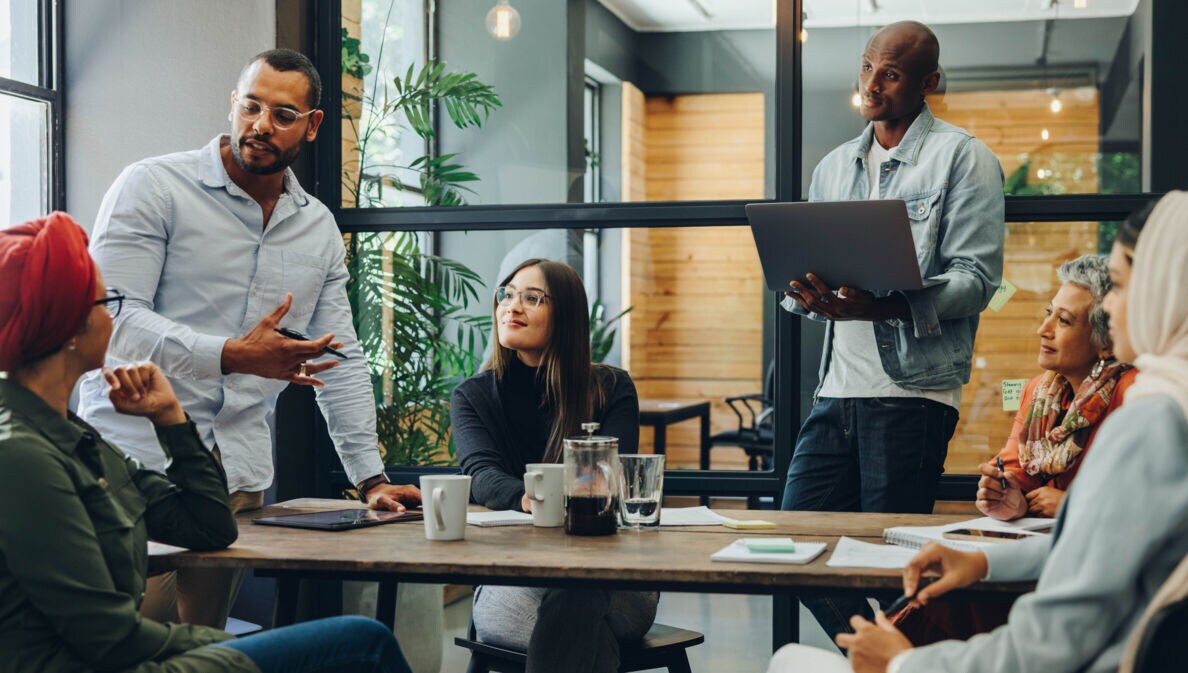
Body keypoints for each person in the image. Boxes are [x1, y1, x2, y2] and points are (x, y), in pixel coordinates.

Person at [767, 192, 1188, 673]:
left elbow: (1053, 641)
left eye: (1122, 286)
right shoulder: (1167, 402)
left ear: (1165, 293)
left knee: (789, 661)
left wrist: (903, 664)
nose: (1108, 308)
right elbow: (1097, 550)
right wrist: (985, 563)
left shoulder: (1150, 419)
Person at [75, 48, 419, 628]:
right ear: (233, 103)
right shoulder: (154, 186)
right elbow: (113, 321)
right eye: (251, 106)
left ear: (312, 125)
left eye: (283, 115)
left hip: (235, 479)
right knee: (131, 644)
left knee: (204, 647)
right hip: (133, 464)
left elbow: (340, 356)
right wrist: (232, 356)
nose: (261, 125)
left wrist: (371, 479)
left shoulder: (316, 228)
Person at [0, 212, 411, 673]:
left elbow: (210, 528)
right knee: (363, 642)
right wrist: (224, 646)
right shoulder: (22, 458)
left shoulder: (72, 438)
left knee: (355, 640)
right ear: (69, 326)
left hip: (127, 656)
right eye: (106, 302)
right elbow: (111, 638)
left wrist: (172, 421)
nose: (114, 318)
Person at [780, 20, 1005, 638]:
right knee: (793, 549)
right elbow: (814, 272)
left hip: (912, 394)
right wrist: (808, 294)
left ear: (928, 82)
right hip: (836, 392)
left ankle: (906, 658)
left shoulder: (964, 158)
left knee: (891, 573)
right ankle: (888, 658)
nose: (871, 84)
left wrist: (881, 308)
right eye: (866, 67)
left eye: (891, 73)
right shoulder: (833, 167)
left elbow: (976, 280)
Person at [452, 258, 656, 673]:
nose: (512, 306)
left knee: (577, 587)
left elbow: (606, 478)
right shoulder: (472, 396)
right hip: (512, 577)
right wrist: (534, 499)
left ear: (566, 315)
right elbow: (480, 475)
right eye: (507, 294)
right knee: (579, 625)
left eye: (532, 298)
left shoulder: (611, 388)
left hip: (613, 576)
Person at [976, 255, 1136, 521]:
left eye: (1063, 320)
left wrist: (1073, 506)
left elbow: (1153, 501)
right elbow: (1016, 472)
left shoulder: (1135, 394)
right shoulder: (1038, 391)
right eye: (1049, 313)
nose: (1043, 329)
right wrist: (1008, 499)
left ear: (1106, 343)